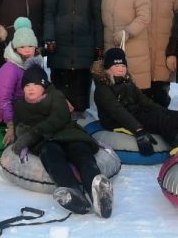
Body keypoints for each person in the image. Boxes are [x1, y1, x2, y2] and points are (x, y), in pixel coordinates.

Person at [11, 64, 113, 218]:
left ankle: (99, 192)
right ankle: (72, 192)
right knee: (52, 157)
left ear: (44, 86)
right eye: (27, 85)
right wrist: (21, 138)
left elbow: (60, 117)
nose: (31, 88)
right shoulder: (19, 106)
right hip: (45, 142)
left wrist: (33, 133)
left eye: (36, 84)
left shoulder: (55, 95)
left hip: (67, 133)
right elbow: (19, 126)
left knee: (82, 153)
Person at [92, 48, 178, 153]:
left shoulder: (126, 82)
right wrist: (138, 130)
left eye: (123, 66)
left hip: (134, 113)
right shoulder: (103, 89)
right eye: (116, 66)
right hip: (116, 121)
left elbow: (144, 101)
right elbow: (117, 111)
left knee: (175, 116)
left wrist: (165, 112)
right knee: (162, 121)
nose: (121, 69)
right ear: (108, 68)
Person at [43, 0, 102, 118]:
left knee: (81, 81)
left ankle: (80, 114)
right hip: (60, 43)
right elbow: (48, 13)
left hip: (85, 43)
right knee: (60, 80)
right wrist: (49, 38)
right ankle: (59, 113)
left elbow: (96, 16)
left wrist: (98, 44)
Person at [136, 0, 178, 107]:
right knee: (142, 87)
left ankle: (163, 114)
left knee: (161, 88)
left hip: (165, 46)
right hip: (142, 45)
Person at [100, 0, 152, 91]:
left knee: (135, 89)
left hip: (135, 50)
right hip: (110, 49)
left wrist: (127, 32)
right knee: (116, 90)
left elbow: (144, 17)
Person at [0, 17, 45, 145]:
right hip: (16, 113)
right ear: (16, 48)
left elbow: (46, 88)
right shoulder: (10, 69)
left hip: (35, 109)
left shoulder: (37, 65)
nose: (27, 50)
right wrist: (11, 124)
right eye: (22, 46)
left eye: (30, 46)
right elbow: (3, 98)